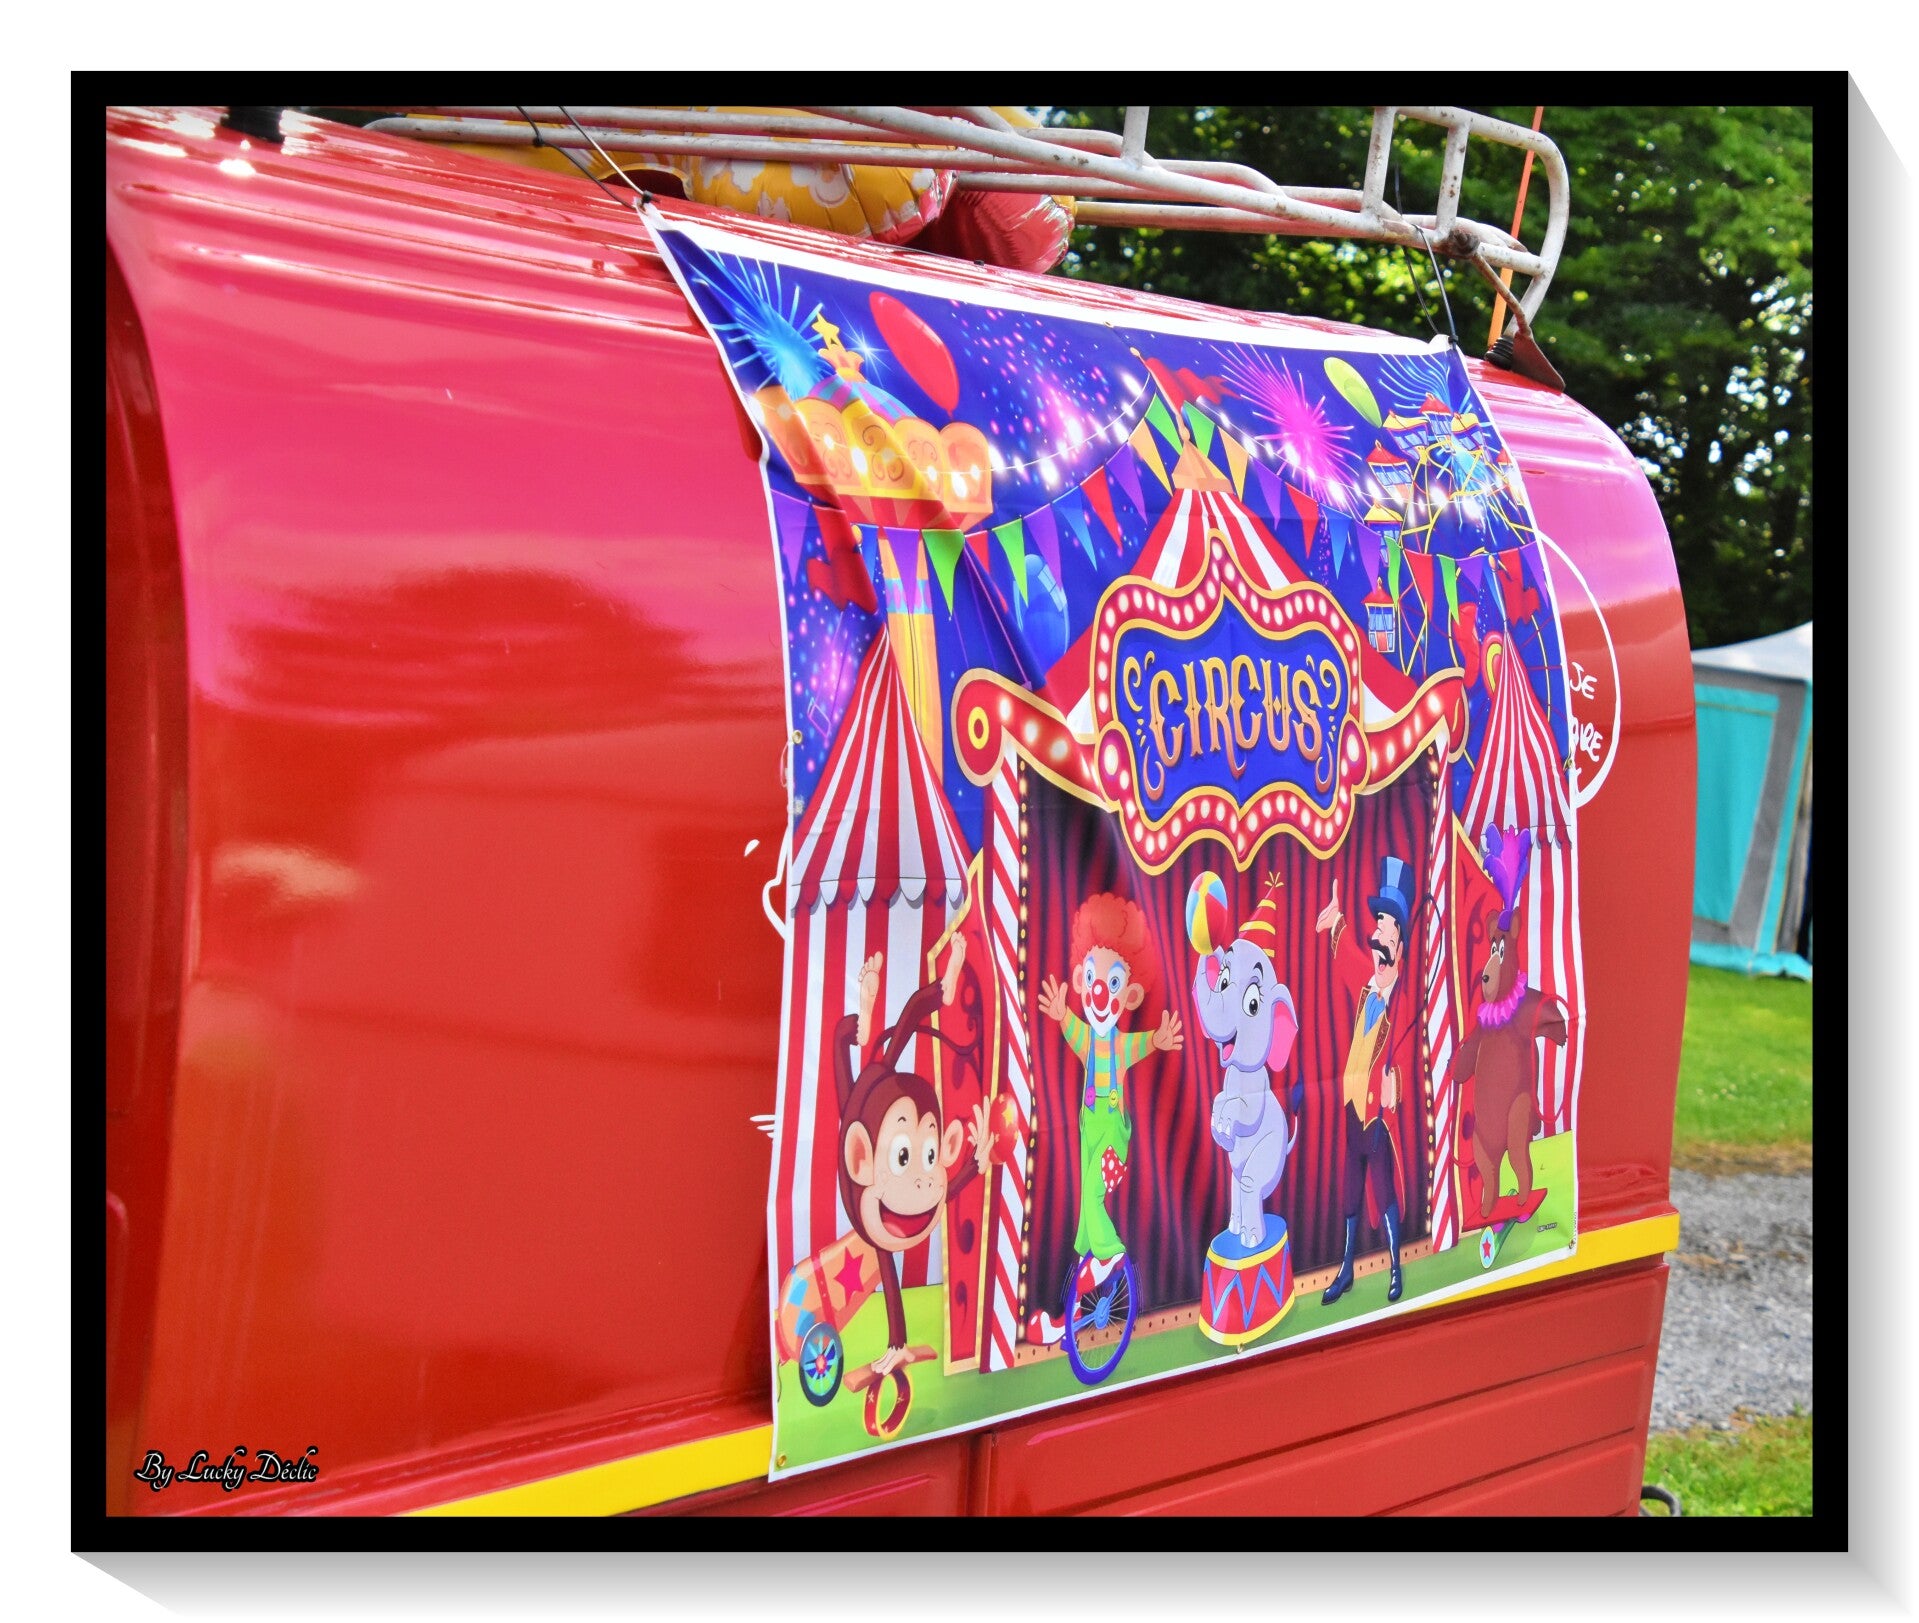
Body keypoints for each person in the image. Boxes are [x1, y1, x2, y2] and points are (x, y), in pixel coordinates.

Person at [1026, 893, 1181, 1345]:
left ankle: (1112, 1256)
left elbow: (1142, 1044)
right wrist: (1060, 1015)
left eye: (1112, 983)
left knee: (1094, 1201)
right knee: (1081, 1230)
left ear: (1128, 994)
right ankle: (1068, 1317)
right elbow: (1072, 1028)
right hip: (1087, 1136)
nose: (1099, 991)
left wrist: (1159, 1039)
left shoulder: (1119, 1046)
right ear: (1080, 979)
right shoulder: (1088, 1042)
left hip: (1113, 1142)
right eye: (1093, 978)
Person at [1316, 855, 1416, 1306]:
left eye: (1387, 933)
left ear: (1400, 947)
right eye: (1377, 930)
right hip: (1351, 1112)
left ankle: (1395, 1266)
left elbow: (1407, 1057)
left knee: (1383, 1190)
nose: (1377, 940)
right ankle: (1346, 1270)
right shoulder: (1366, 985)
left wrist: (1398, 1084)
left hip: (1378, 1118)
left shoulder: (1403, 1001)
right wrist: (1337, 920)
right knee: (1350, 1193)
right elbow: (1347, 958)